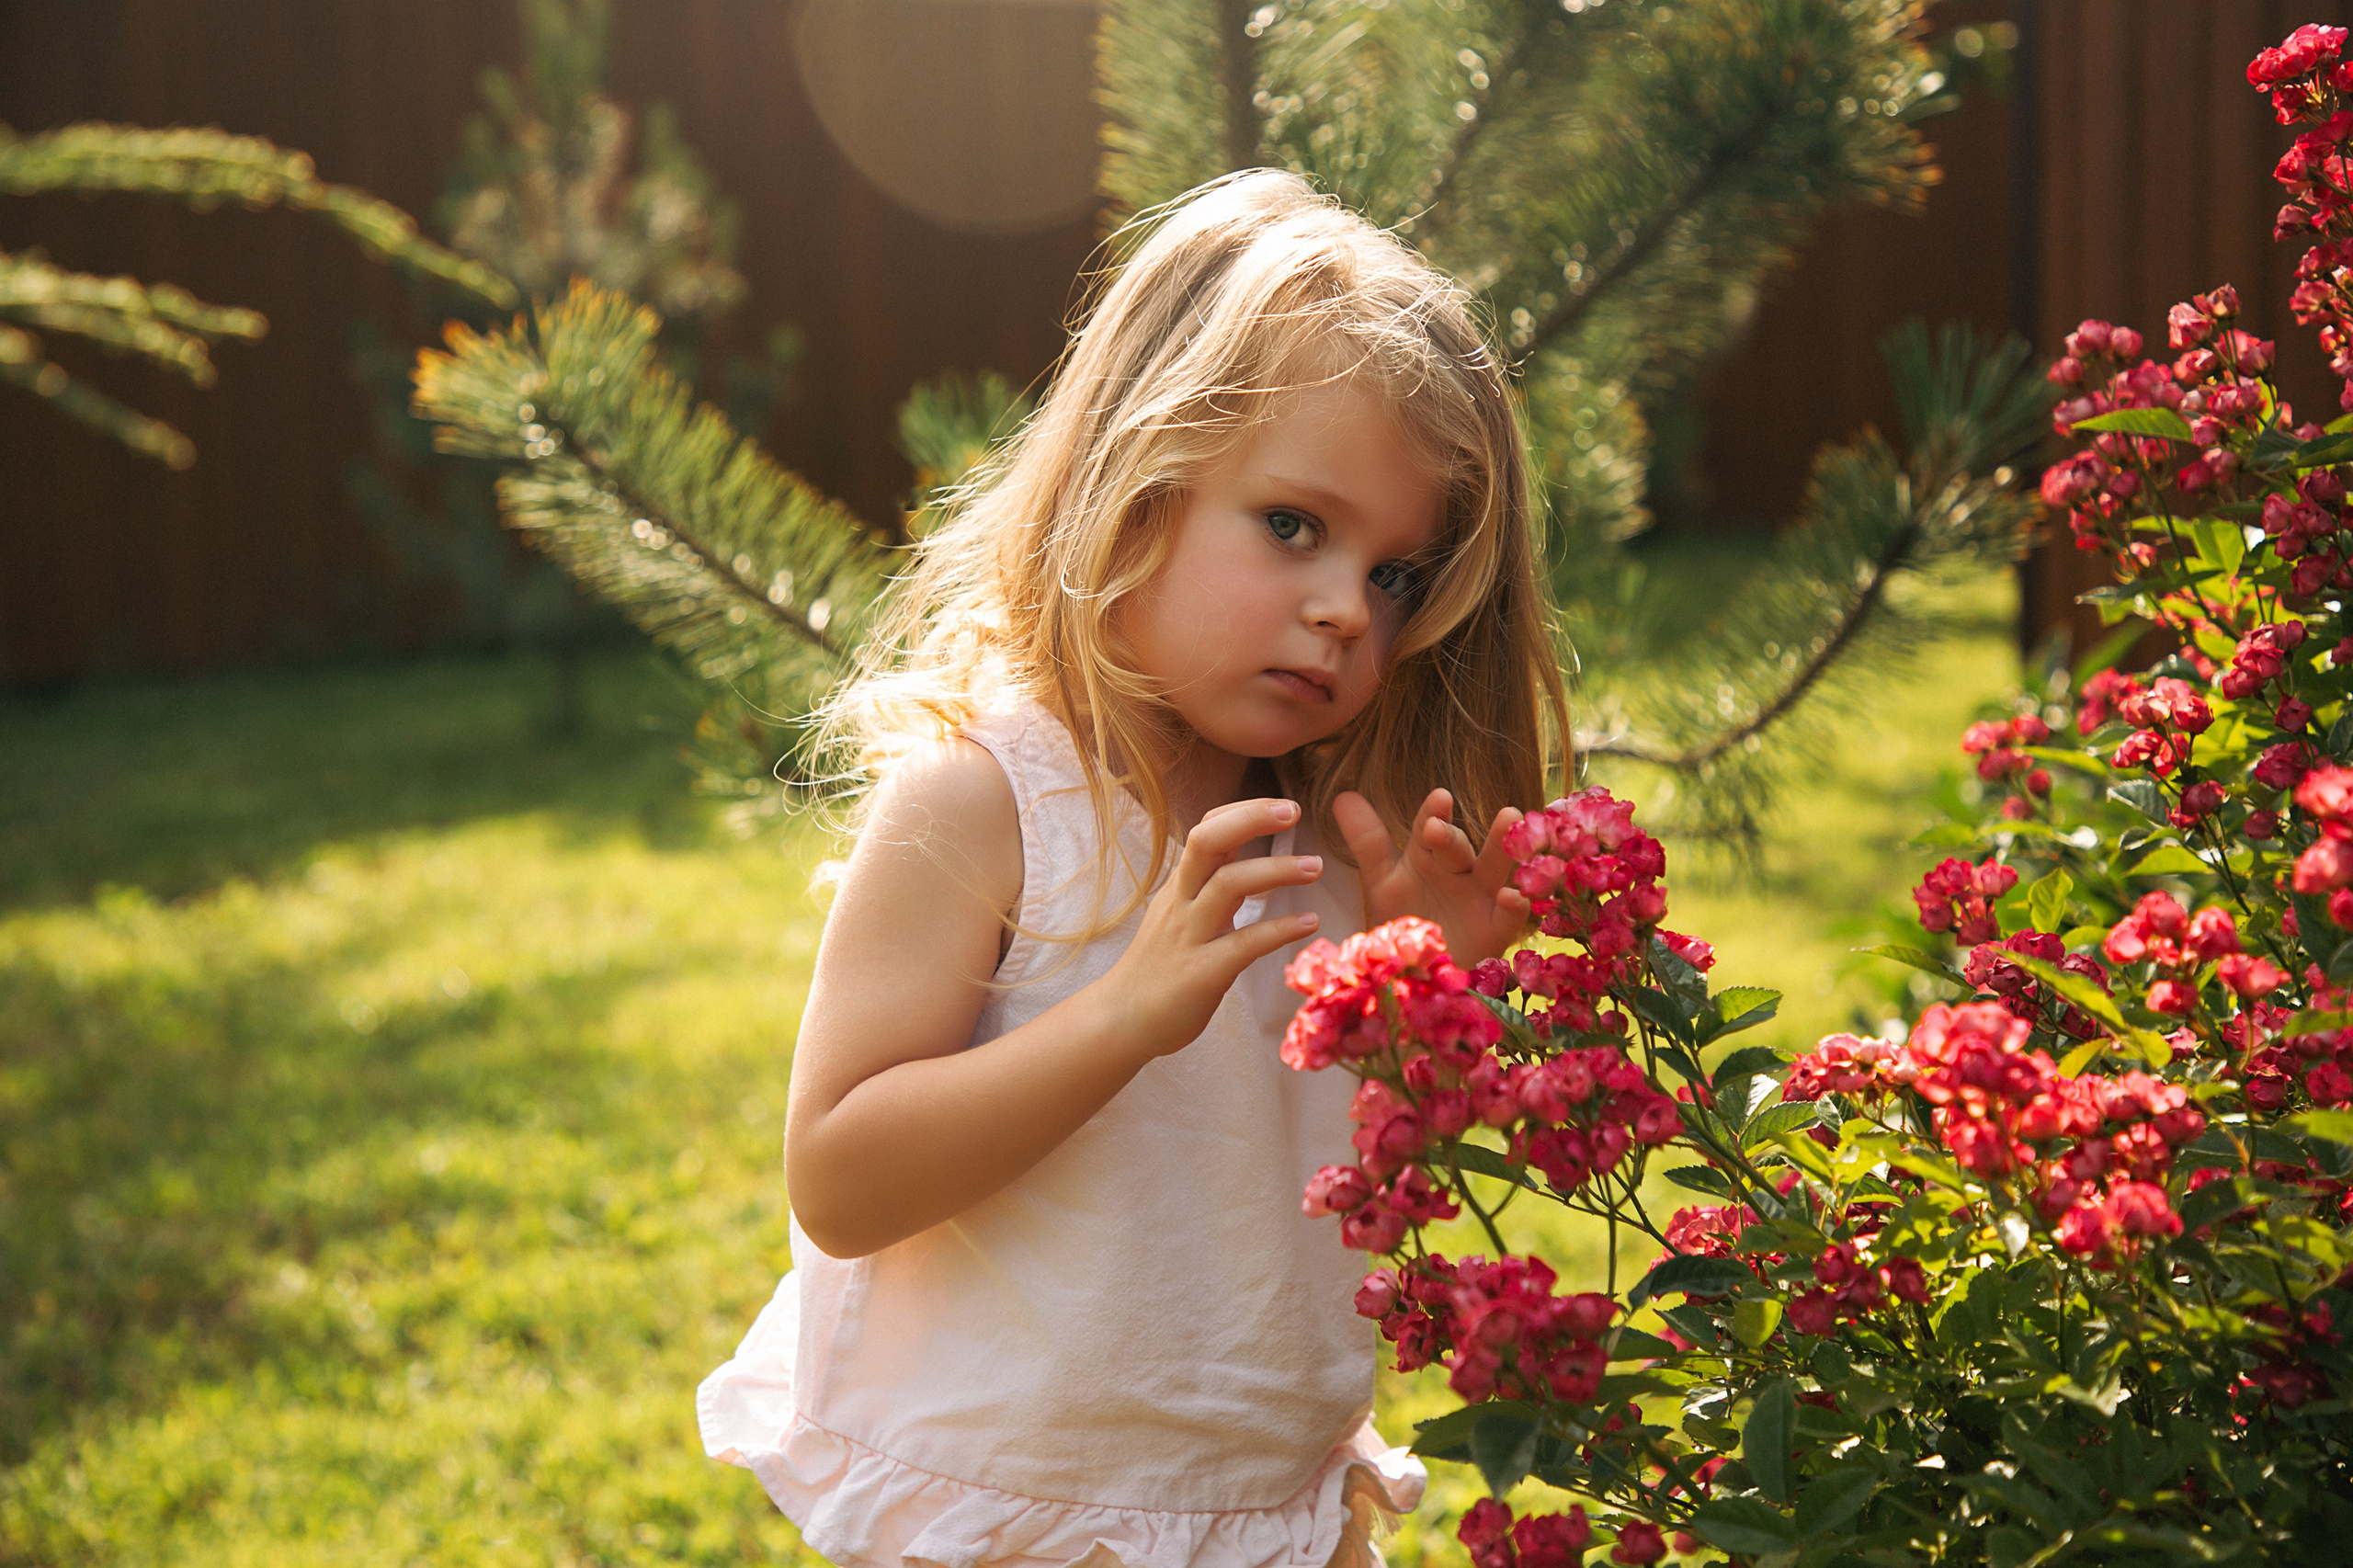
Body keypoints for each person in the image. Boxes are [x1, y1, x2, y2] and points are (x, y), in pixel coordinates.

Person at [698, 168, 1568, 1568]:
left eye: (1399, 573)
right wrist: (1117, 1014)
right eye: (1294, 525)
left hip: (1267, 1503)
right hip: (1019, 1512)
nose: (1349, 605)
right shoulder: (989, 801)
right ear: (1138, 483)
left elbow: (1331, 1180)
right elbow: (839, 1176)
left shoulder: (1332, 839)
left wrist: (1430, 998)